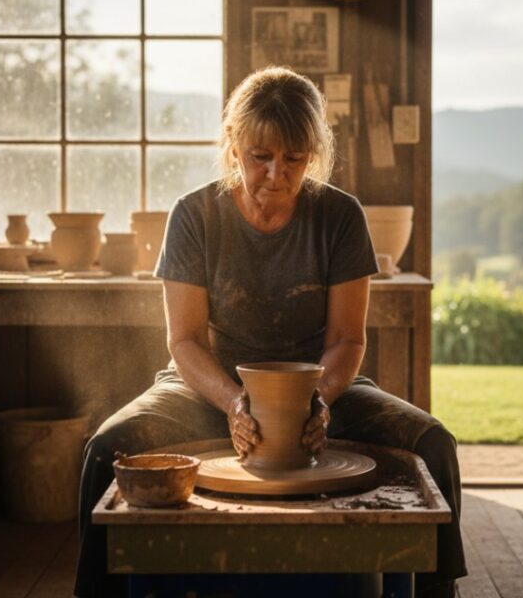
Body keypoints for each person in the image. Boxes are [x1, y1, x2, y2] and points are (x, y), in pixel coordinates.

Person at [74, 66, 467, 598]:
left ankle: (440, 594)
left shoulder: (340, 216)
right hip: (207, 387)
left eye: (294, 159)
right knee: (105, 450)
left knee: (434, 443)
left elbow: (347, 340)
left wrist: (318, 400)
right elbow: (184, 341)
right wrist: (235, 403)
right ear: (234, 145)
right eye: (261, 156)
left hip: (319, 387)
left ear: (314, 154)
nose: (276, 174)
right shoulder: (194, 215)